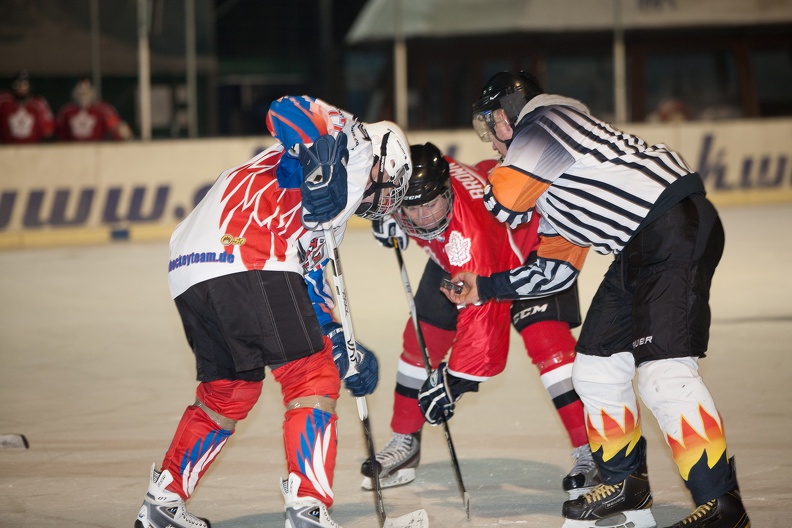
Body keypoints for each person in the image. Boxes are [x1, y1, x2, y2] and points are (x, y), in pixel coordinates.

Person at [443, 70, 750, 528]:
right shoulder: (556, 182)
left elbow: (502, 202)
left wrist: (450, 195)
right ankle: (627, 482)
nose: (490, 141)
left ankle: (723, 506)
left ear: (511, 109)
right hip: (643, 245)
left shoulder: (546, 118)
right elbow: (552, 271)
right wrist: (483, 288)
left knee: (664, 375)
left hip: (673, 228)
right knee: (596, 366)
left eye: (492, 125)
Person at [134, 95, 412, 528]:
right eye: (389, 186)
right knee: (312, 378)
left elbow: (310, 283)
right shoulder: (353, 141)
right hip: (250, 252)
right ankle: (308, 509)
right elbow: (283, 110)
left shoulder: (335, 210)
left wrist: (340, 344)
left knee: (229, 391)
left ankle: (162, 500)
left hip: (191, 267)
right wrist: (323, 162)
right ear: (383, 161)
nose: (383, 201)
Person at [363, 142, 600, 500]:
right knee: (421, 341)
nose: (425, 217)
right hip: (463, 255)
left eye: (432, 204)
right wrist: (384, 213)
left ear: (446, 194)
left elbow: (485, 339)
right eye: (414, 207)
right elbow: (367, 177)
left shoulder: (467, 241)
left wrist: (453, 384)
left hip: (533, 249)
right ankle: (405, 441)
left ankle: (591, 452)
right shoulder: (418, 183)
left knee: (547, 345)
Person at [56, 78, 132, 141]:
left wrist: (121, 132)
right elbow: (59, 134)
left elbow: (116, 128)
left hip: (98, 151)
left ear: (92, 92)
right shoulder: (66, 111)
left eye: (86, 92)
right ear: (74, 93)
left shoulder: (104, 109)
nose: (83, 95)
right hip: (72, 152)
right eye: (80, 92)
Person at [0, 71, 54, 144]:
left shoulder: (38, 103)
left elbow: (48, 130)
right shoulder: (3, 101)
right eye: (18, 85)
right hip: (6, 147)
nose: (21, 88)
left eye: (25, 85)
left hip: (33, 148)